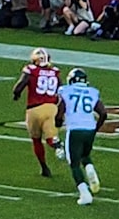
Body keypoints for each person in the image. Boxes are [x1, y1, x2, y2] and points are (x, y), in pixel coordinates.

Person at [55, 68, 107, 205]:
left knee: (74, 163)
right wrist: (96, 128)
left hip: (75, 128)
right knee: (85, 154)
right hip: (89, 128)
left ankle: (85, 193)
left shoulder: (66, 90)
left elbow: (60, 111)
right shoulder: (92, 92)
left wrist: (57, 123)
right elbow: (103, 113)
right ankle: (90, 169)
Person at [12, 48, 63, 177]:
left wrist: (16, 94)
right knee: (50, 136)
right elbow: (62, 91)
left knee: (36, 140)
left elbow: (19, 86)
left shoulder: (31, 70)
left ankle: (44, 167)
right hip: (51, 108)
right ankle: (56, 145)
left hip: (34, 109)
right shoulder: (55, 72)